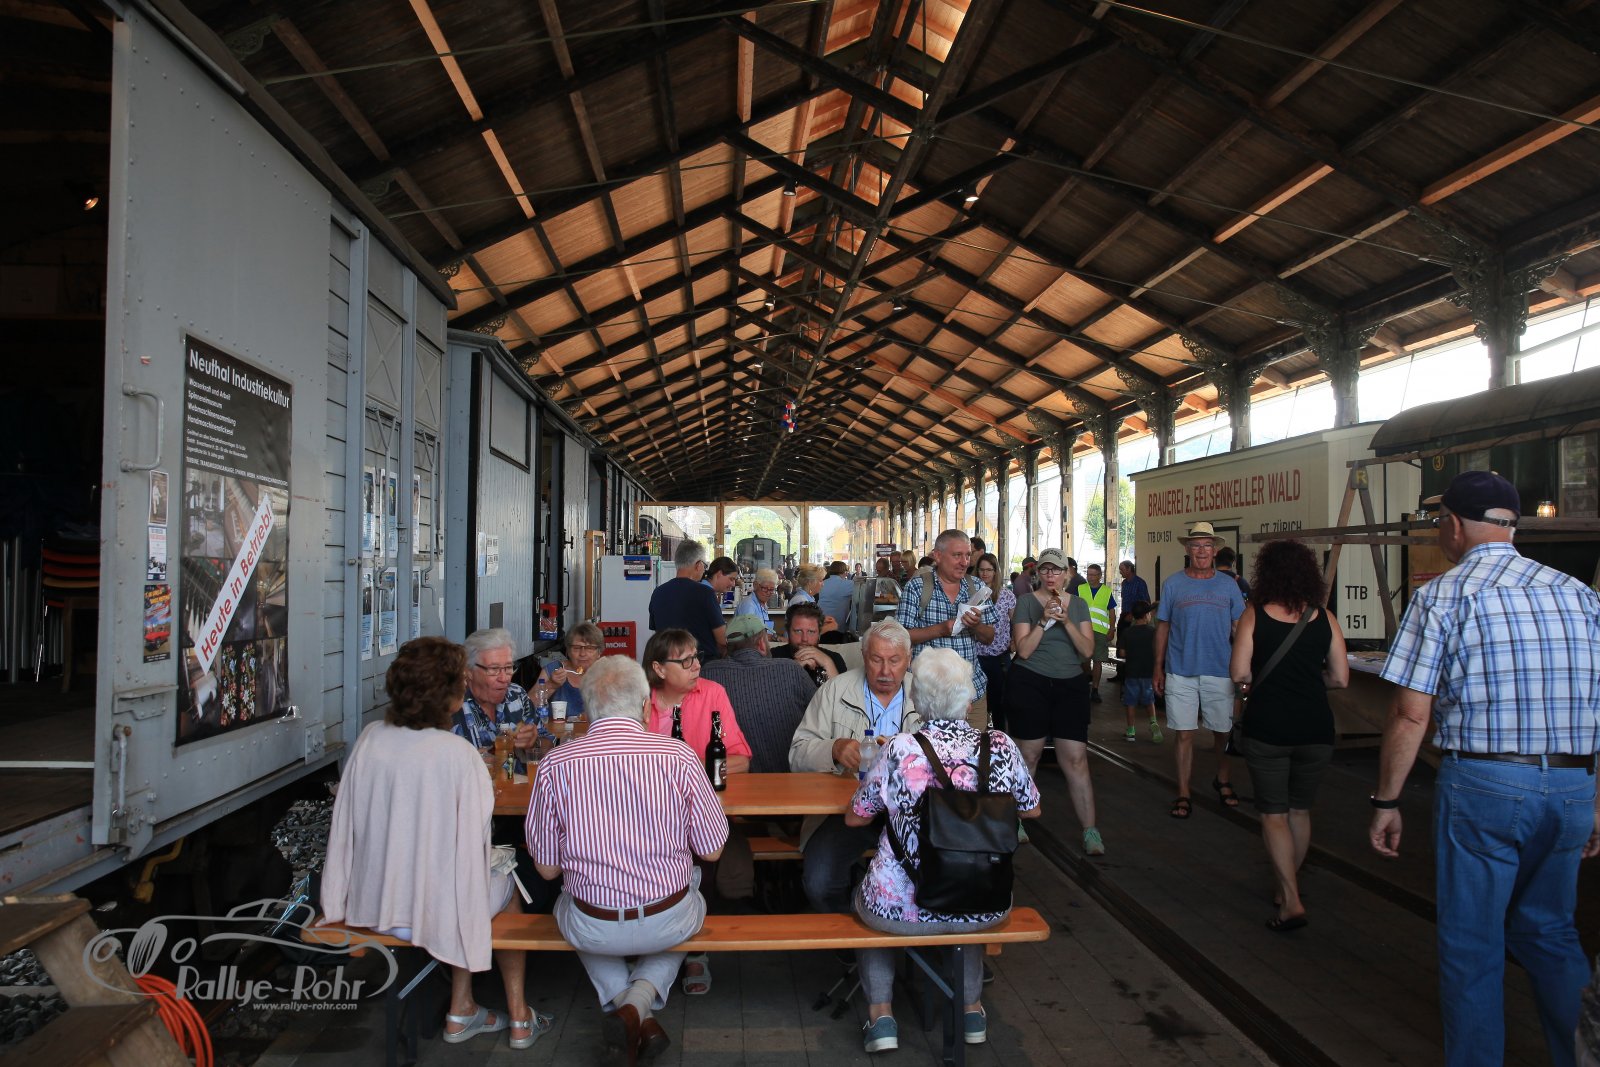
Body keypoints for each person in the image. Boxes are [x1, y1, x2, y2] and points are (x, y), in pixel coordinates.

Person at [1369, 471, 1600, 1067]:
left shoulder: (1443, 595)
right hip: (1573, 787)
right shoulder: (1577, 594)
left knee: (1473, 943)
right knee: (1551, 932)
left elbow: (1411, 713)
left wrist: (1387, 800)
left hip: (1486, 785)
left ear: (1452, 525)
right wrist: (1596, 800)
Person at [323, 637, 550, 1050]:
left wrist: (336, 898)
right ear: (451, 691)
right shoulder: (458, 755)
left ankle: (464, 1006)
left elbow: (343, 827)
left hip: (373, 902)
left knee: (483, 878)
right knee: (506, 881)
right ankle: (517, 1016)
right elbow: (471, 850)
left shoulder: (371, 737)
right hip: (428, 911)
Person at [526, 655, 726, 1065]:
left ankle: (629, 1009)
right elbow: (711, 850)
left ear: (587, 709)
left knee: (569, 902)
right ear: (644, 706)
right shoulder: (679, 757)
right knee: (692, 893)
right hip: (667, 917)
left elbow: (546, 869)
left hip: (593, 924)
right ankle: (638, 1007)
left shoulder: (553, 765)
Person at [845, 648, 1041, 1053]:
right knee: (966, 892)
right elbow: (1031, 808)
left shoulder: (900, 748)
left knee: (868, 899)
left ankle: (881, 1017)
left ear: (918, 702)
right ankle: (971, 1010)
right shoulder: (1000, 745)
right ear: (968, 701)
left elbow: (856, 818)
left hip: (900, 909)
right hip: (985, 903)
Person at [1228, 539, 1348, 932]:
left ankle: (1291, 898)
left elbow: (1239, 673)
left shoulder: (1254, 616)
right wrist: (1310, 682)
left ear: (1267, 573)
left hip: (1269, 727)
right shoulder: (1325, 617)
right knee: (1300, 811)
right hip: (1316, 728)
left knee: (1274, 814)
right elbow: (1340, 678)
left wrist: (1256, 683)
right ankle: (1286, 889)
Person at [789, 620, 920, 914]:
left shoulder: (924, 694)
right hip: (846, 811)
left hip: (912, 813)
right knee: (819, 882)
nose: (885, 671)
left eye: (894, 661)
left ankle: (895, 924)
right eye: (876, 660)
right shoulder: (835, 691)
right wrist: (833, 749)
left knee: (936, 874)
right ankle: (849, 925)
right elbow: (796, 754)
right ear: (863, 656)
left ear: (909, 659)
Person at [642, 627, 755, 947]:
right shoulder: (639, 701)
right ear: (659, 668)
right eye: (685, 661)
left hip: (698, 809)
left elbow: (741, 759)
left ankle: (694, 950)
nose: (696, 666)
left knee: (703, 862)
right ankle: (648, 938)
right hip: (648, 812)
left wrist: (692, 770)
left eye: (696, 657)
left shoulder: (712, 693)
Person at [1007, 548, 1103, 855]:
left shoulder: (1080, 605)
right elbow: (1023, 650)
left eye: (1056, 570)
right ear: (1038, 573)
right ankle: (1016, 819)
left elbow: (1087, 651)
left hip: (1070, 684)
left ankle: (1090, 830)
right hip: (1030, 681)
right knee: (1029, 754)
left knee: (1075, 758)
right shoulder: (1026, 602)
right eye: (1045, 570)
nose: (1051, 575)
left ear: (1067, 574)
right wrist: (1043, 620)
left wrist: (1066, 621)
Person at [1154, 520, 1246, 820]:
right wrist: (1158, 667)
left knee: (1223, 731)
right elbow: (1163, 627)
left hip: (1220, 670)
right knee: (1184, 733)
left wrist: (1245, 668)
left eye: (1207, 546)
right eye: (1196, 546)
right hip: (1180, 670)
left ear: (1215, 550)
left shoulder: (1228, 586)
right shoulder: (1173, 584)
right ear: (1188, 549)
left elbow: (1239, 628)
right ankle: (1183, 791)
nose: (1202, 551)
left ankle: (1223, 779)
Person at [896, 530, 996, 730]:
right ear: (938, 556)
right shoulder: (917, 587)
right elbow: (901, 637)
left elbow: (989, 637)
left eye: (967, 555)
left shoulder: (976, 586)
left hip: (970, 693)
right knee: (926, 748)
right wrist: (940, 630)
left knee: (973, 747)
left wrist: (976, 626)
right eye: (957, 555)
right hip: (927, 696)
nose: (964, 562)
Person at [700, 614, 815, 773]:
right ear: (761, 643)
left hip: (733, 778)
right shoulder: (791, 669)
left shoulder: (708, 673)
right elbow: (823, 714)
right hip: (792, 778)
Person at [648, 540, 726, 661]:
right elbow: (722, 640)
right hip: (701, 665)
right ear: (698, 565)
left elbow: (658, 633)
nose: (704, 570)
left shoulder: (658, 593)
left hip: (669, 665)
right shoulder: (705, 593)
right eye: (705, 566)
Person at [971, 552, 1015, 733]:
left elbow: (1015, 621)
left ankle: (1000, 737)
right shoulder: (971, 594)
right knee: (977, 700)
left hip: (999, 657)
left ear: (995, 572)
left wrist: (1014, 641)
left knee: (1000, 702)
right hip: (977, 655)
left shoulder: (1006, 595)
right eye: (981, 570)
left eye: (989, 570)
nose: (985, 573)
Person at [535, 622, 603, 722]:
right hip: (557, 730)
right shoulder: (554, 669)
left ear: (599, 652)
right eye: (576, 648)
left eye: (589, 648)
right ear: (568, 651)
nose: (582, 654)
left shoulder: (607, 673)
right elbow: (527, 706)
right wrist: (551, 685)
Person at [771, 601, 846, 685]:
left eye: (811, 632)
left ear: (819, 634)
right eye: (798, 631)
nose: (805, 639)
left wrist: (827, 663)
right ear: (788, 632)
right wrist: (792, 670)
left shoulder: (834, 659)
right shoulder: (772, 657)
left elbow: (842, 693)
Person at [1119, 602, 1161, 742]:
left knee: (1130, 702)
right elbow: (1158, 651)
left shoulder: (1127, 632)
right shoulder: (1153, 632)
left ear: (1133, 616)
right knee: (1149, 700)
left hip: (1132, 672)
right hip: (1148, 672)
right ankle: (1153, 723)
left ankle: (1131, 730)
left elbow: (1122, 653)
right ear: (1147, 615)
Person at [1081, 564, 1117, 703]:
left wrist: (1112, 629)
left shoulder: (1106, 591)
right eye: (1088, 574)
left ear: (1100, 576)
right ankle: (1087, 676)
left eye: (1093, 575)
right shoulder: (1080, 589)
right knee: (1084, 659)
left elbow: (1112, 612)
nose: (1090, 577)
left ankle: (1095, 689)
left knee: (1098, 660)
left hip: (1100, 632)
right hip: (1083, 630)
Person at [1115, 560, 1150, 649]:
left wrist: (1133, 614)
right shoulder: (1124, 583)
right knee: (1121, 641)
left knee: (1132, 643)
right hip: (1124, 615)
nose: (1120, 572)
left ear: (1129, 569)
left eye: (1122, 569)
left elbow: (1145, 601)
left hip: (1135, 617)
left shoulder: (1140, 583)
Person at [735, 567, 779, 636]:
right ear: (755, 585)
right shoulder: (748, 605)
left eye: (771, 589)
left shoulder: (762, 604)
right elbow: (749, 635)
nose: (768, 592)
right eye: (765, 588)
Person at [819, 561, 855, 631]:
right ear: (844, 572)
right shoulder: (847, 584)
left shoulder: (824, 582)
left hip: (821, 617)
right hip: (835, 622)